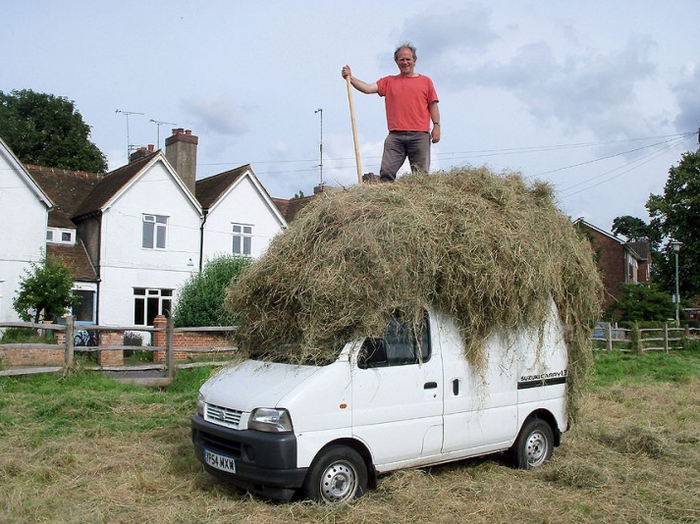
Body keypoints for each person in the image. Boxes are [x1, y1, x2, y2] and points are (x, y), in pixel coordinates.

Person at [342, 43, 440, 182]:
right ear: (396, 62)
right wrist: (350, 78)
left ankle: (419, 203)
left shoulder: (425, 81)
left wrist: (436, 126)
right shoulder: (389, 81)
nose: (405, 62)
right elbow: (368, 88)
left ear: (414, 61)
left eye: (408, 59)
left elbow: (433, 105)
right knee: (386, 172)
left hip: (420, 134)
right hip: (396, 136)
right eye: (401, 59)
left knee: (420, 177)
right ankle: (386, 201)